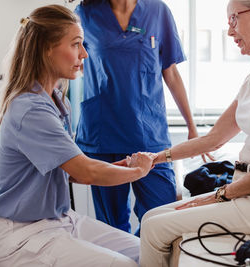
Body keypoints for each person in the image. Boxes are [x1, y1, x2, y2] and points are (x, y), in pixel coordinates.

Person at [139, 0, 250, 266]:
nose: (229, 32)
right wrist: (155, 158)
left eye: (234, 19)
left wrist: (222, 194)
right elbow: (213, 139)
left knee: (156, 229)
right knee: (150, 219)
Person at [0, 5, 156, 267]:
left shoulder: (55, 100)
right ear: (46, 48)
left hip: (60, 221)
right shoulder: (30, 109)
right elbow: (86, 171)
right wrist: (138, 172)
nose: (85, 54)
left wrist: (118, 167)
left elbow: (72, 171)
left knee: (150, 254)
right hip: (22, 236)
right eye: (76, 44)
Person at [74, 0, 202, 237]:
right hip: (102, 135)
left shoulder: (158, 11)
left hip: (150, 136)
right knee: (111, 227)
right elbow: (69, 63)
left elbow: (171, 73)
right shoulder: (85, 14)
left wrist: (192, 128)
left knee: (162, 218)